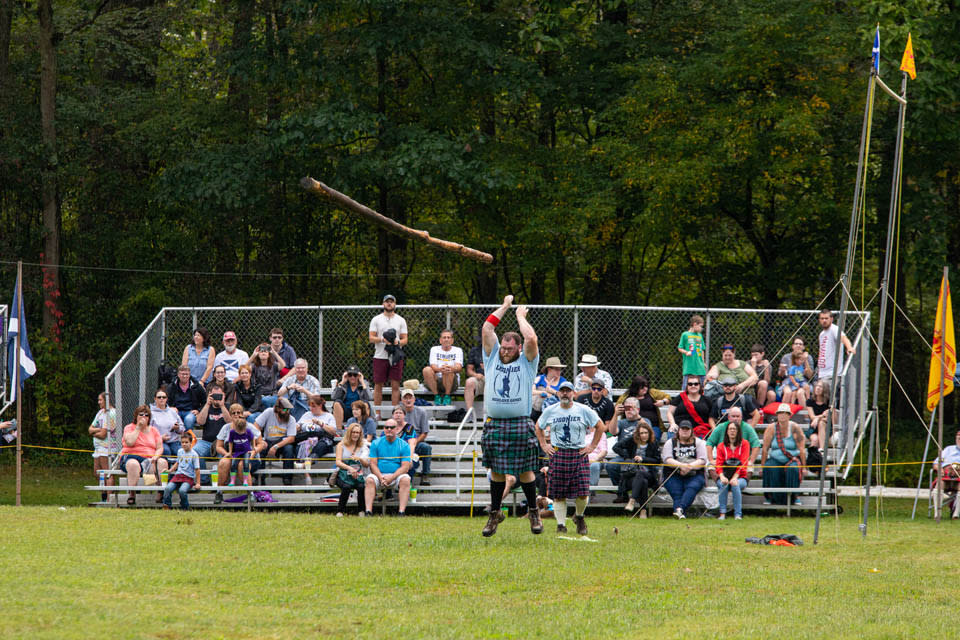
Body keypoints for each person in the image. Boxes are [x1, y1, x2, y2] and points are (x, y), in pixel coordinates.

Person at [479, 295, 543, 537]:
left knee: (526, 470)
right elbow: (487, 327)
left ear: (518, 348)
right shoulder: (492, 356)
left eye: (509, 348)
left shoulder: (528, 361)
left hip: (519, 423)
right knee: (496, 470)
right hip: (495, 424)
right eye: (502, 347)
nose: (504, 351)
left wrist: (519, 315)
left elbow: (531, 338)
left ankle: (534, 512)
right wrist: (505, 306)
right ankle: (494, 514)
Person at [534, 381, 604, 535]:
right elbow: (538, 426)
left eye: (568, 391)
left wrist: (592, 446)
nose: (565, 393)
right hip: (558, 453)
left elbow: (600, 426)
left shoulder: (583, 410)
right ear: (558, 393)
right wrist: (544, 445)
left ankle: (579, 517)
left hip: (579, 454)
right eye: (562, 391)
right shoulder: (551, 410)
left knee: (583, 493)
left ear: (573, 393)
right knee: (559, 495)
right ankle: (560, 525)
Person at [213, 405, 265, 504]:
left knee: (242, 465)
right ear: (230, 415)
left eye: (239, 413)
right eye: (234, 413)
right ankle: (219, 492)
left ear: (242, 414)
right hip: (233, 455)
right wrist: (227, 453)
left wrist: (254, 451)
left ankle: (251, 494)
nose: (236, 415)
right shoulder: (226, 428)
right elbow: (218, 446)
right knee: (223, 463)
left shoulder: (250, 427)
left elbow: (260, 443)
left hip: (250, 456)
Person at [119, 404, 169, 506]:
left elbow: (160, 447)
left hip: (149, 458)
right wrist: (138, 428)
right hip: (130, 456)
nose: (143, 417)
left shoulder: (154, 430)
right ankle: (132, 493)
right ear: (136, 416)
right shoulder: (129, 428)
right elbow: (129, 442)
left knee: (162, 462)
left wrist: (156, 456)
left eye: (146, 415)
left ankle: (161, 492)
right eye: (141, 414)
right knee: (134, 464)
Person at [364, 419, 413, 516]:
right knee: (369, 480)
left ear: (397, 429)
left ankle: (401, 512)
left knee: (406, 480)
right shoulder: (376, 443)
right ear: (384, 429)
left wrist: (392, 478)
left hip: (396, 476)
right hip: (379, 475)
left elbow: (405, 467)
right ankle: (368, 511)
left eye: (392, 427)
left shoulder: (404, 445)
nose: (389, 429)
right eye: (387, 427)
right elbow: (373, 464)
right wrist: (380, 477)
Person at [369, 294, 408, 413]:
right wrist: (382, 340)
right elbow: (371, 337)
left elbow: (405, 339)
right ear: (383, 304)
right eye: (387, 302)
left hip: (396, 355)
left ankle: (395, 412)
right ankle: (377, 413)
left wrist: (397, 342)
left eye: (391, 302)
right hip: (380, 355)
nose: (389, 304)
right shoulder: (376, 319)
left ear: (395, 304)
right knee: (378, 384)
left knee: (395, 385)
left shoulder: (400, 320)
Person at [612, 421, 661, 516]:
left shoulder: (653, 442)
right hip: (632, 474)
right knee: (643, 482)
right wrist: (627, 457)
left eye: (646, 433)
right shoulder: (632, 440)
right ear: (638, 434)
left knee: (641, 474)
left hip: (649, 474)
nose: (644, 435)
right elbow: (616, 447)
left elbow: (658, 460)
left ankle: (632, 500)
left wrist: (643, 459)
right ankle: (643, 511)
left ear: (650, 433)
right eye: (641, 433)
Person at [761, 403, 807, 506]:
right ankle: (770, 497)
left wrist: (804, 467)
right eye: (780, 413)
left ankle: (794, 497)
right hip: (775, 458)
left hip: (791, 458)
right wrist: (762, 466)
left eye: (785, 413)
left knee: (793, 469)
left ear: (789, 415)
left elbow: (802, 449)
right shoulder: (771, 428)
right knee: (770, 467)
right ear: (777, 415)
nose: (782, 415)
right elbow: (765, 448)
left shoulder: (795, 428)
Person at [661, 420, 707, 518]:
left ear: (691, 431)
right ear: (678, 430)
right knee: (677, 492)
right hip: (673, 473)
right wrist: (681, 465)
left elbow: (702, 459)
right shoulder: (670, 442)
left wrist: (689, 466)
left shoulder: (699, 442)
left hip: (695, 473)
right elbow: (667, 459)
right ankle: (681, 513)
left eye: (687, 429)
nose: (685, 431)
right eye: (682, 429)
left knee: (692, 487)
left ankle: (679, 510)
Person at [704, 406, 762, 481]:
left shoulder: (748, 428)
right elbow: (709, 443)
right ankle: (720, 483)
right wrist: (711, 459)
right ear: (728, 417)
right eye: (733, 416)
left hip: (741, 461)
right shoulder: (721, 427)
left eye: (738, 416)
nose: (735, 418)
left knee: (749, 468)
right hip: (723, 461)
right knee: (711, 467)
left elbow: (756, 445)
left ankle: (740, 484)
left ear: (741, 417)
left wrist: (751, 461)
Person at [606, 398, 647, 499]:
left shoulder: (643, 420)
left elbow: (647, 432)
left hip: (639, 455)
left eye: (631, 407)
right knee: (610, 465)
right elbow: (612, 431)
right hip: (624, 456)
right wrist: (615, 414)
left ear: (637, 408)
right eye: (626, 407)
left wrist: (637, 416)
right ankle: (622, 493)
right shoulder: (622, 422)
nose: (628, 410)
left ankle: (637, 494)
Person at [256, 397, 298, 485]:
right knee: (260, 449)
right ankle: (260, 480)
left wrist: (276, 446)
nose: (287, 411)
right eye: (285, 409)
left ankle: (287, 479)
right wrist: (260, 440)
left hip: (282, 442)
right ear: (278, 408)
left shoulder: (291, 419)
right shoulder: (268, 412)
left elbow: (291, 438)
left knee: (289, 449)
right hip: (268, 440)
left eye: (288, 409)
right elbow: (256, 426)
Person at [714, 420, 750, 520]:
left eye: (735, 429)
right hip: (725, 475)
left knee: (735, 484)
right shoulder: (721, 446)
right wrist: (721, 476)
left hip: (740, 477)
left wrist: (735, 478)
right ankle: (722, 513)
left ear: (738, 431)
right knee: (722, 484)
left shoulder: (745, 444)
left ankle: (738, 514)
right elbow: (719, 463)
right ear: (727, 431)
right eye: (730, 429)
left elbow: (744, 463)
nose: (732, 431)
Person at [335, 422, 370, 516]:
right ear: (349, 433)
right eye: (353, 432)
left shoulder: (363, 446)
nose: (355, 434)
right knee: (346, 487)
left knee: (361, 486)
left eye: (357, 433)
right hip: (343, 473)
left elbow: (367, 465)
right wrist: (349, 468)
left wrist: (361, 459)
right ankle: (340, 511)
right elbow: (338, 462)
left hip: (358, 474)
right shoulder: (341, 445)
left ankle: (361, 511)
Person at [194, 382, 229, 477]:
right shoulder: (206, 406)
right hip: (206, 442)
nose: (217, 398)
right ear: (209, 395)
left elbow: (230, 422)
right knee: (195, 452)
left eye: (219, 395)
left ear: (224, 395)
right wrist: (207, 404)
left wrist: (222, 406)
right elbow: (200, 422)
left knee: (225, 457)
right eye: (214, 395)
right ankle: (204, 479)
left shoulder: (228, 407)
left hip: (222, 443)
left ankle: (221, 481)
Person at [422, 329, 464, 405]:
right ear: (440, 340)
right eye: (444, 337)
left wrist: (451, 368)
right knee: (426, 370)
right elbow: (433, 366)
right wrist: (440, 369)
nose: (446, 339)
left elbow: (459, 366)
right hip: (436, 381)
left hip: (452, 382)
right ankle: (436, 396)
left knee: (448, 370)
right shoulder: (434, 349)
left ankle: (447, 396)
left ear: (452, 340)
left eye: (448, 337)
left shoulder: (458, 350)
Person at [400, 388, 432, 485]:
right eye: (405, 398)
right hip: (402, 443)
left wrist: (414, 443)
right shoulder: (398, 412)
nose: (408, 400)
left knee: (426, 448)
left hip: (417, 441)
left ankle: (425, 474)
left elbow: (425, 432)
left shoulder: (422, 412)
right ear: (402, 400)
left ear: (414, 399)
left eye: (410, 398)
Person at [295, 395, 338, 466]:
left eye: (313, 406)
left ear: (320, 406)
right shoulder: (307, 415)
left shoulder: (329, 416)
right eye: (310, 406)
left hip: (322, 440)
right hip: (307, 439)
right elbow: (298, 426)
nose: (311, 408)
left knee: (321, 445)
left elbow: (333, 432)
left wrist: (320, 424)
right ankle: (302, 467)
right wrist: (298, 427)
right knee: (299, 446)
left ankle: (307, 462)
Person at [816, 309, 855, 387]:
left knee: (823, 395)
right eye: (822, 318)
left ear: (831, 319)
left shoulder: (834, 329)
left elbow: (843, 337)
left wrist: (849, 347)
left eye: (826, 318)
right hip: (822, 373)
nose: (824, 320)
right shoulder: (822, 334)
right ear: (819, 320)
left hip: (832, 374)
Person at [89, 392, 117, 501]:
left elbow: (103, 434)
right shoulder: (101, 413)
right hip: (98, 448)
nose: (99, 402)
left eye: (100, 400)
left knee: (107, 473)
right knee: (97, 472)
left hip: (108, 448)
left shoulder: (112, 413)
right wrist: (97, 430)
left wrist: (95, 432)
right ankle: (103, 495)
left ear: (107, 401)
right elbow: (90, 428)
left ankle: (109, 498)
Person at [162, 432, 201, 510]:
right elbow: (177, 463)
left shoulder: (194, 455)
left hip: (188, 478)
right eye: (182, 442)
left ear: (191, 443)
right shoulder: (180, 451)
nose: (184, 444)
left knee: (182, 491)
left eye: (186, 442)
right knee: (167, 488)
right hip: (178, 476)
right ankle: (167, 505)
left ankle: (185, 506)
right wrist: (170, 470)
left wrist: (198, 483)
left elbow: (197, 469)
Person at [166, 365, 206, 432]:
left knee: (189, 420)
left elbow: (205, 401)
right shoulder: (172, 386)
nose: (184, 376)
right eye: (182, 374)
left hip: (190, 411)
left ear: (189, 375)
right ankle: (175, 440)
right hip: (176, 411)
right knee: (172, 420)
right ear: (178, 374)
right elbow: (165, 401)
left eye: (186, 374)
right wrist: (170, 408)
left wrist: (199, 410)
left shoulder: (196, 386)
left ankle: (188, 439)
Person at [933, 429, 960, 519]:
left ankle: (956, 514)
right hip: (945, 476)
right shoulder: (948, 449)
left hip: (959, 479)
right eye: (958, 436)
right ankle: (937, 513)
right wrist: (939, 468)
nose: (959, 438)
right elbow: (936, 463)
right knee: (939, 485)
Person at [150, 388, 185, 458]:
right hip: (159, 442)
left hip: (174, 441)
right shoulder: (151, 413)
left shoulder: (172, 412)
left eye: (164, 397)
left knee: (181, 452)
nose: (161, 399)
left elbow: (182, 428)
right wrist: (160, 438)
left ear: (167, 399)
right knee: (166, 451)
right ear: (155, 399)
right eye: (159, 397)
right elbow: (147, 432)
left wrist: (177, 428)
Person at [677, 314, 707, 390]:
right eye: (700, 326)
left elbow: (702, 349)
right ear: (694, 324)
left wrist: (703, 362)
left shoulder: (699, 335)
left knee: (702, 388)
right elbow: (680, 348)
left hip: (700, 367)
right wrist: (686, 352)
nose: (701, 328)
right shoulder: (685, 335)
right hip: (689, 367)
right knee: (686, 388)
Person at [225, 417, 256, 486]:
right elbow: (230, 442)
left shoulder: (248, 431)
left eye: (242, 432)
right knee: (233, 464)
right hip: (237, 452)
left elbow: (253, 438)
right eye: (239, 431)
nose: (240, 433)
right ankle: (232, 481)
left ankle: (245, 480)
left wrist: (253, 448)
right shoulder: (232, 432)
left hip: (246, 451)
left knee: (246, 464)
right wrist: (230, 452)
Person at [805, 380, 833, 451]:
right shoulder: (810, 402)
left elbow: (829, 419)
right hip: (813, 428)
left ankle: (821, 450)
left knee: (821, 423)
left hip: (826, 428)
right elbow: (812, 417)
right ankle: (812, 459)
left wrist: (817, 419)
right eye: (817, 386)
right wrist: (821, 416)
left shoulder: (829, 402)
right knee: (815, 440)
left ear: (825, 390)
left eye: (820, 387)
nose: (817, 388)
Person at [464, 340, 485, 417]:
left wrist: (487, 368)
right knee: (469, 382)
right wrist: (475, 374)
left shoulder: (498, 349)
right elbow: (469, 370)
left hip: (493, 379)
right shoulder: (475, 350)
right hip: (479, 379)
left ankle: (490, 415)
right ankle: (469, 414)